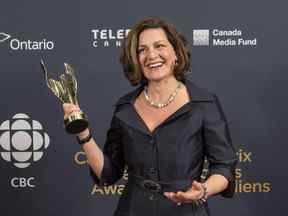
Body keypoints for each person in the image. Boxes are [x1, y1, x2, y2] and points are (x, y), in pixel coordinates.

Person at [63, 18, 237, 216]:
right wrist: (83, 134)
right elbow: (109, 174)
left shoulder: (204, 104)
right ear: (135, 59)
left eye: (159, 46)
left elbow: (224, 167)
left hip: (186, 211)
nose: (151, 55)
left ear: (176, 53)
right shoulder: (124, 109)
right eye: (142, 50)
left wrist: (203, 190)